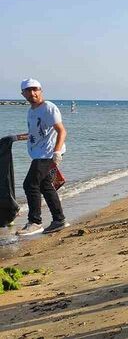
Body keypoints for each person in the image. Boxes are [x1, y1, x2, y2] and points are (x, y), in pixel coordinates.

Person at [14, 79, 69, 235]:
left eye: (35, 89)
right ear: (23, 94)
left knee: (30, 184)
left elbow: (62, 131)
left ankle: (35, 222)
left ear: (41, 90)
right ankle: (59, 220)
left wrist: (57, 152)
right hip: (38, 153)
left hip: (47, 153)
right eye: (28, 91)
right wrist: (16, 138)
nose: (32, 93)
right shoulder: (31, 111)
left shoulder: (48, 108)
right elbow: (35, 133)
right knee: (45, 186)